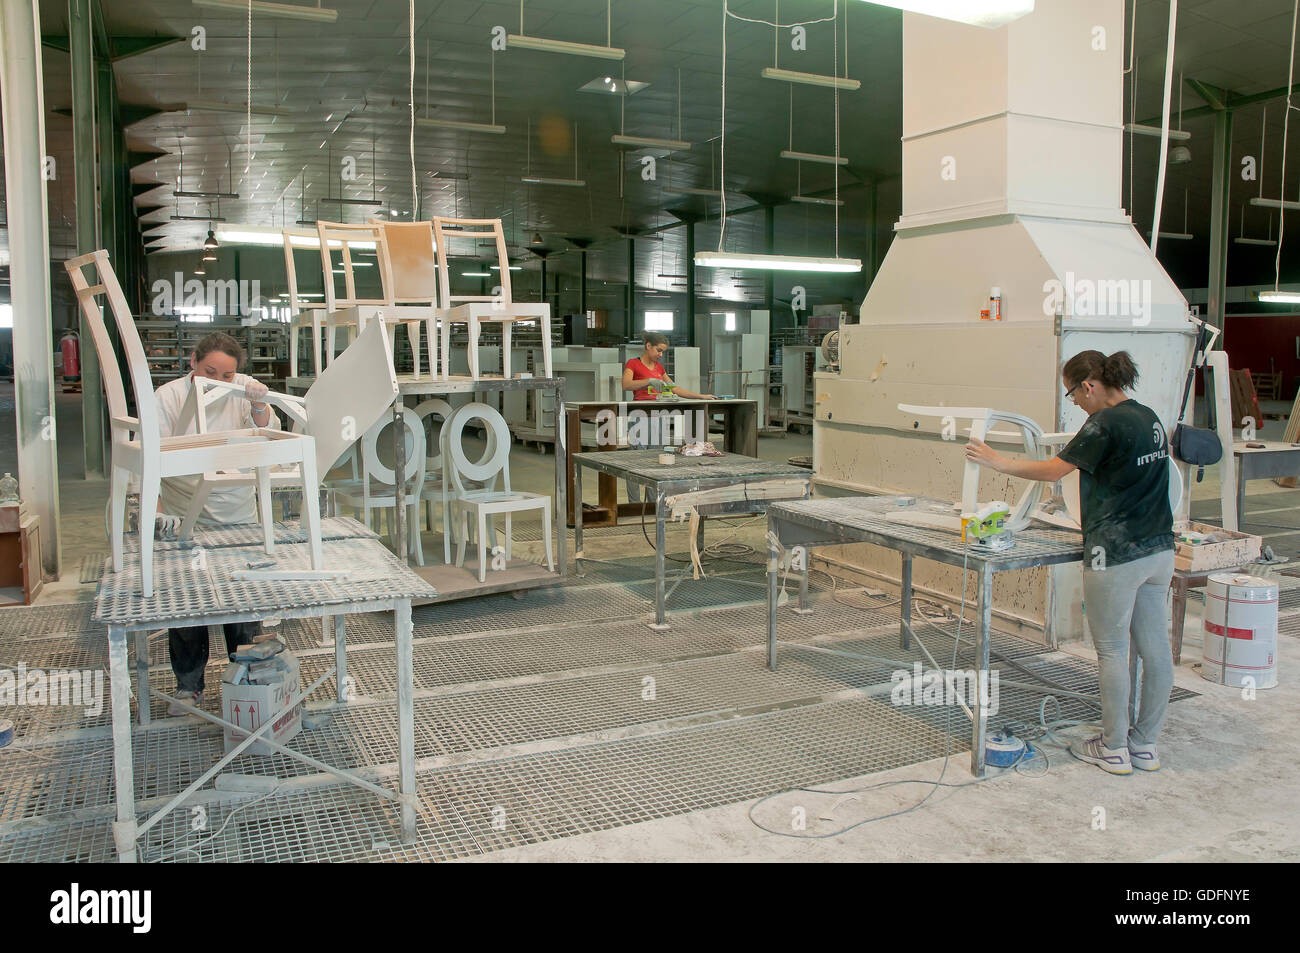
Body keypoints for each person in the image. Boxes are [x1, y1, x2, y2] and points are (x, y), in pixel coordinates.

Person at [963, 350, 1174, 775]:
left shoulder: (1103, 424)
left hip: (1116, 554)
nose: (1075, 402)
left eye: (1074, 393)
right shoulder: (1147, 416)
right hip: (1159, 550)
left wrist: (996, 461)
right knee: (1156, 652)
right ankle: (1144, 745)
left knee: (1112, 651)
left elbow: (1054, 472)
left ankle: (1113, 748)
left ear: (1090, 385)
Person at [154, 332, 279, 713]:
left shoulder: (242, 390)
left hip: (236, 510)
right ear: (193, 361)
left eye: (227, 375)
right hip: (185, 508)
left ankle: (247, 681)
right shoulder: (169, 396)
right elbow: (151, 457)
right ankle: (188, 686)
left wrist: (259, 402)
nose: (219, 381)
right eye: (211, 371)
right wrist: (158, 513)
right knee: (188, 602)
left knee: (242, 600)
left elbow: (265, 428)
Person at [621, 332, 715, 502]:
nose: (660, 354)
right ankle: (634, 505)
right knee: (634, 461)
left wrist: (701, 396)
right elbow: (626, 384)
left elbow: (674, 388)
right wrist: (647, 381)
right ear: (648, 346)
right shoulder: (633, 364)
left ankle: (652, 504)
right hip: (640, 417)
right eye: (658, 350)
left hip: (658, 417)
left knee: (655, 461)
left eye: (663, 351)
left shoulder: (659, 368)